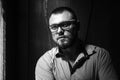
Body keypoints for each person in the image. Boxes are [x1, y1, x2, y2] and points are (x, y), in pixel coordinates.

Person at [35, 7, 118, 80]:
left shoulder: (100, 55)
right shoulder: (45, 62)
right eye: (54, 27)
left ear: (77, 26)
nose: (59, 31)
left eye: (65, 24)